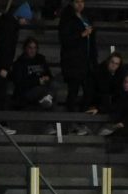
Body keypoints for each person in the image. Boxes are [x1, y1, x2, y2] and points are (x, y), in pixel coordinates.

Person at [58, 0, 97, 134]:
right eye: (77, 2)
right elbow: (64, 39)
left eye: (82, 2)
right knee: (73, 92)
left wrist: (94, 60)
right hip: (73, 63)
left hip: (86, 62)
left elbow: (92, 41)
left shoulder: (86, 17)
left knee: (88, 91)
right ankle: (71, 123)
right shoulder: (67, 17)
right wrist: (81, 35)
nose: (80, 5)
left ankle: (80, 121)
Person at [10, 37, 56, 110]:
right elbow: (20, 83)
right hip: (27, 91)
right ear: (25, 49)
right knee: (45, 90)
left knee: (55, 83)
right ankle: (46, 100)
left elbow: (48, 74)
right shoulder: (19, 63)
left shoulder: (41, 59)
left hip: (43, 86)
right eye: (30, 48)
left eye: (34, 48)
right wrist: (37, 81)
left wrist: (47, 77)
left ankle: (46, 100)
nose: (32, 50)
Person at [84, 51, 126, 119]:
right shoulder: (97, 73)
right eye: (112, 62)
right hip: (98, 102)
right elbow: (91, 92)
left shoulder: (121, 76)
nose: (114, 65)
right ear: (108, 61)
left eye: (116, 64)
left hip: (112, 104)